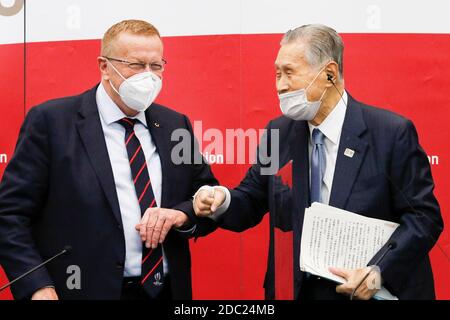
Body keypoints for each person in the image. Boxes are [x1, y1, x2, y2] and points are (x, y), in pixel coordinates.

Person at [193, 24, 443, 300]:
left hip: (370, 293)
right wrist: (220, 198)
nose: (280, 85)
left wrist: (378, 270)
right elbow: (251, 199)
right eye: (277, 73)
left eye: (289, 72)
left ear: (329, 74)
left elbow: (423, 218)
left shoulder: (391, 133)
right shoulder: (279, 132)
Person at [0, 19, 218, 300]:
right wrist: (37, 286)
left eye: (157, 66)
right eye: (137, 65)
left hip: (164, 290)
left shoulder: (177, 125)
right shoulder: (51, 122)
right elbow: (10, 215)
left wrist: (183, 214)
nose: (149, 76)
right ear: (104, 66)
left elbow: (206, 196)